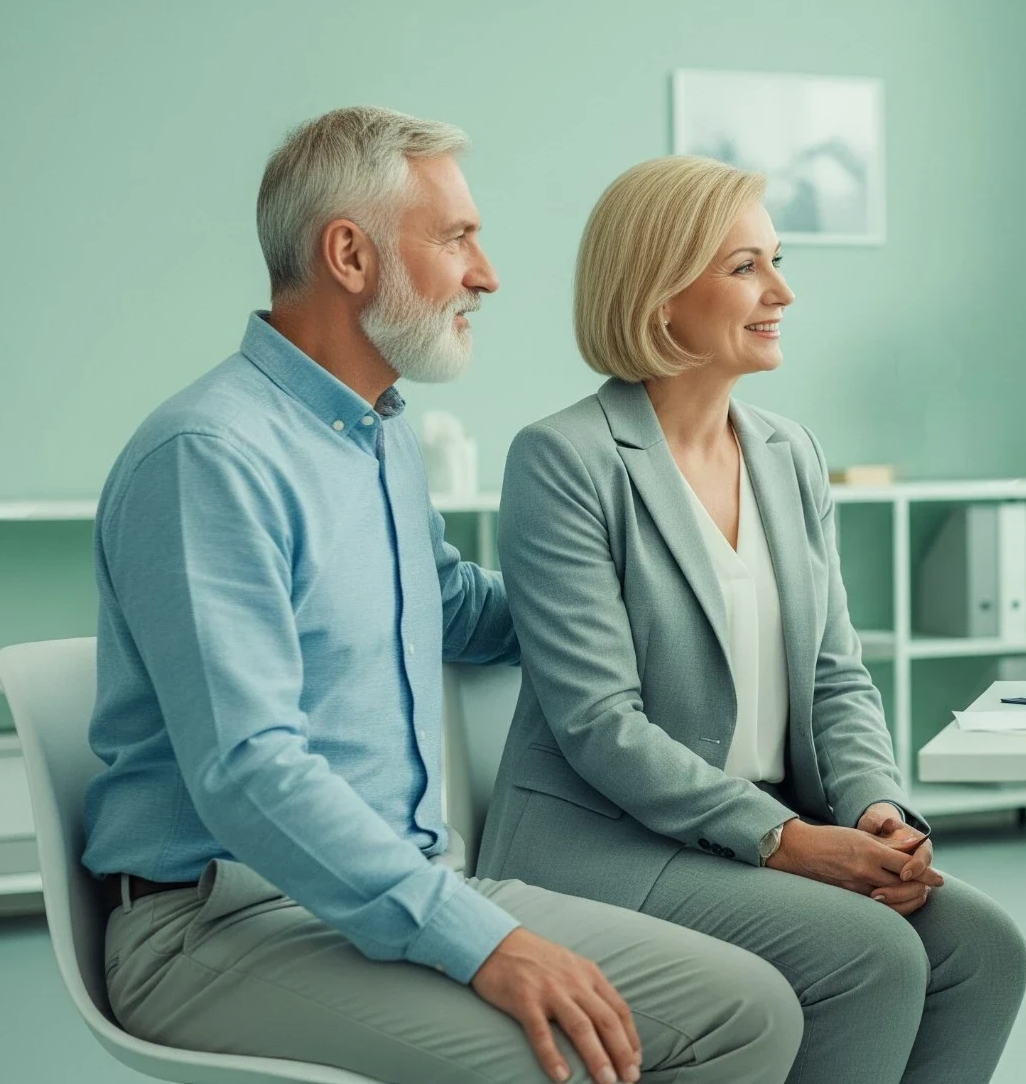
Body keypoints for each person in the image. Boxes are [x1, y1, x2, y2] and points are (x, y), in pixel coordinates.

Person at [82, 107, 801, 1084]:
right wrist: (485, 943)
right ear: (349, 254)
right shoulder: (211, 458)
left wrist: (649, 593)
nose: (487, 274)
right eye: (458, 237)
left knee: (751, 1010)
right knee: (575, 1057)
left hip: (402, 886)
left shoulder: (374, 434)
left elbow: (458, 606)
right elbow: (249, 769)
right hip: (225, 922)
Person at [475, 154, 1026, 1084]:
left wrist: (875, 810)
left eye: (776, 259)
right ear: (659, 295)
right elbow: (599, 724)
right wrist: (789, 842)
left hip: (778, 822)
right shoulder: (563, 460)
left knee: (984, 950)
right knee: (874, 954)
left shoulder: (790, 452)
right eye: (746, 267)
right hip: (609, 844)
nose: (783, 290)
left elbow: (834, 674)